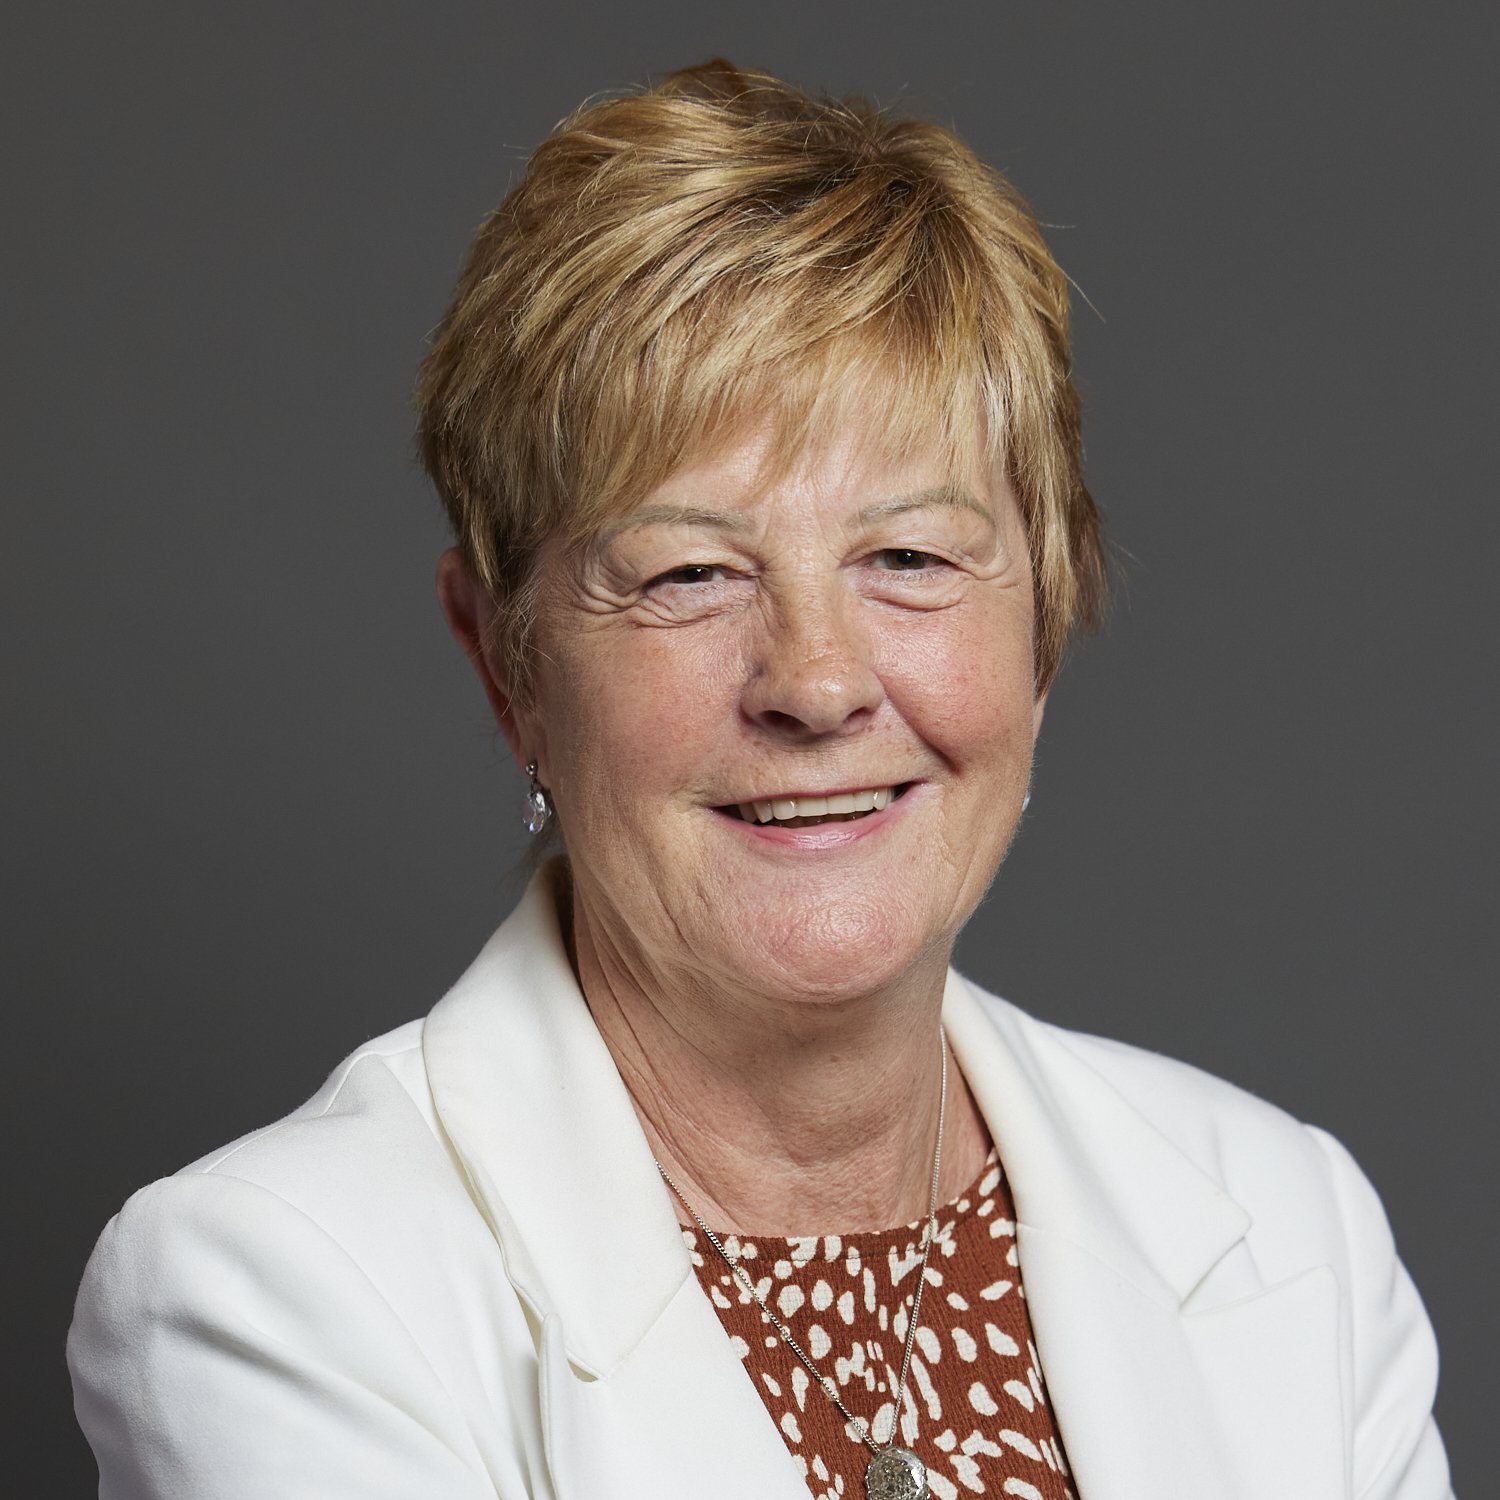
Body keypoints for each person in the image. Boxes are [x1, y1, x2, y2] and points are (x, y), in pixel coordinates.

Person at [68, 60, 1451, 1500]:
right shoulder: (273, 1290)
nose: (816, 680)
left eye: (908, 558)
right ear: (509, 665)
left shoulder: (1293, 1232)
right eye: (688, 573)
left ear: (1043, 623)